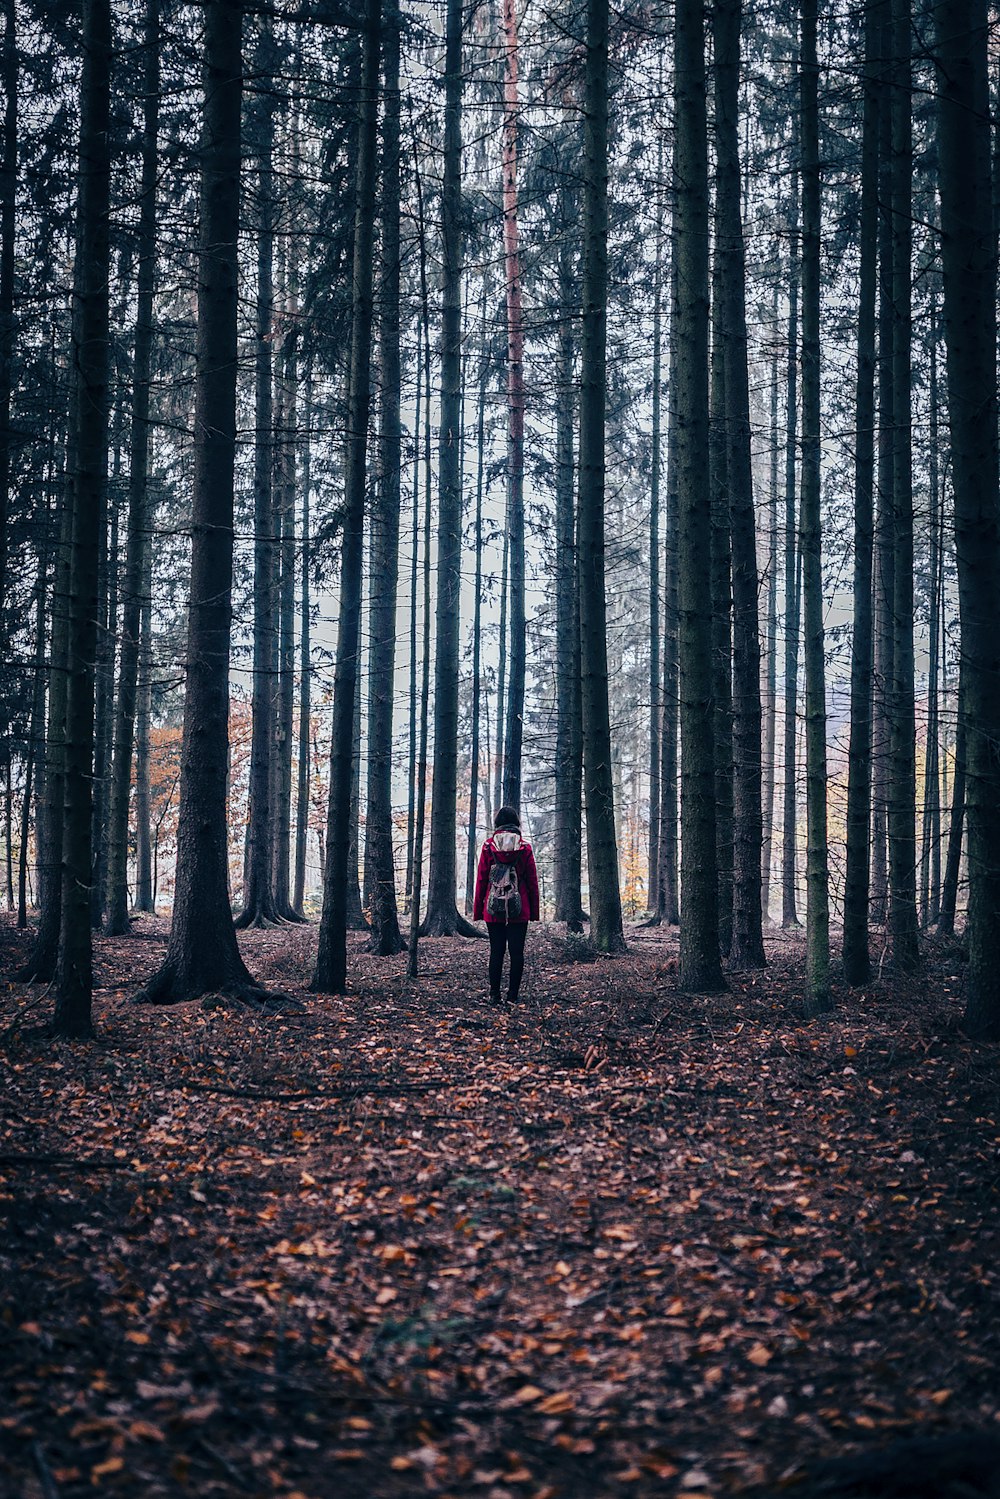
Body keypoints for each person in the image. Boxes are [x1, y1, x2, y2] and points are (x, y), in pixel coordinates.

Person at [473, 806, 540, 1003]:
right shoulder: (525, 848)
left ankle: (494, 995)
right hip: (520, 908)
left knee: (496, 951)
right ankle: (512, 996)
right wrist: (534, 912)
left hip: (493, 909)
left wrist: (478, 910)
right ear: (516, 823)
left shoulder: (487, 847)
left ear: (497, 824)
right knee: (517, 952)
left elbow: (482, 880)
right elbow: (532, 881)